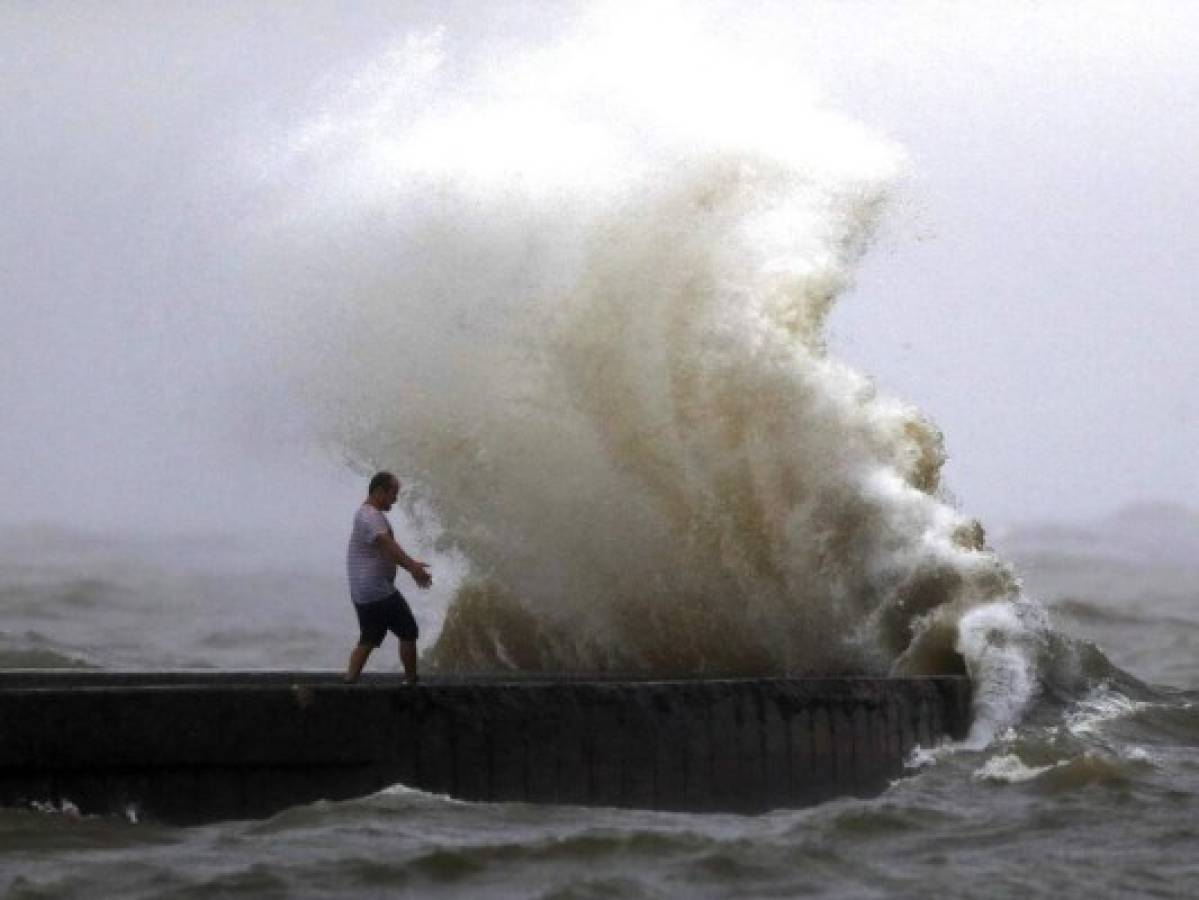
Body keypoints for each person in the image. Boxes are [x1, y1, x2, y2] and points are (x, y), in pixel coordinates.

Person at [344, 471, 432, 684]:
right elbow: (387, 544)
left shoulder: (366, 515)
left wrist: (410, 567)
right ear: (379, 491)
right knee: (409, 631)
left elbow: (387, 551)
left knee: (370, 637)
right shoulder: (370, 516)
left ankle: (349, 681)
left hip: (363, 591)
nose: (396, 498)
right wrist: (412, 567)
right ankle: (411, 682)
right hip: (376, 590)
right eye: (393, 493)